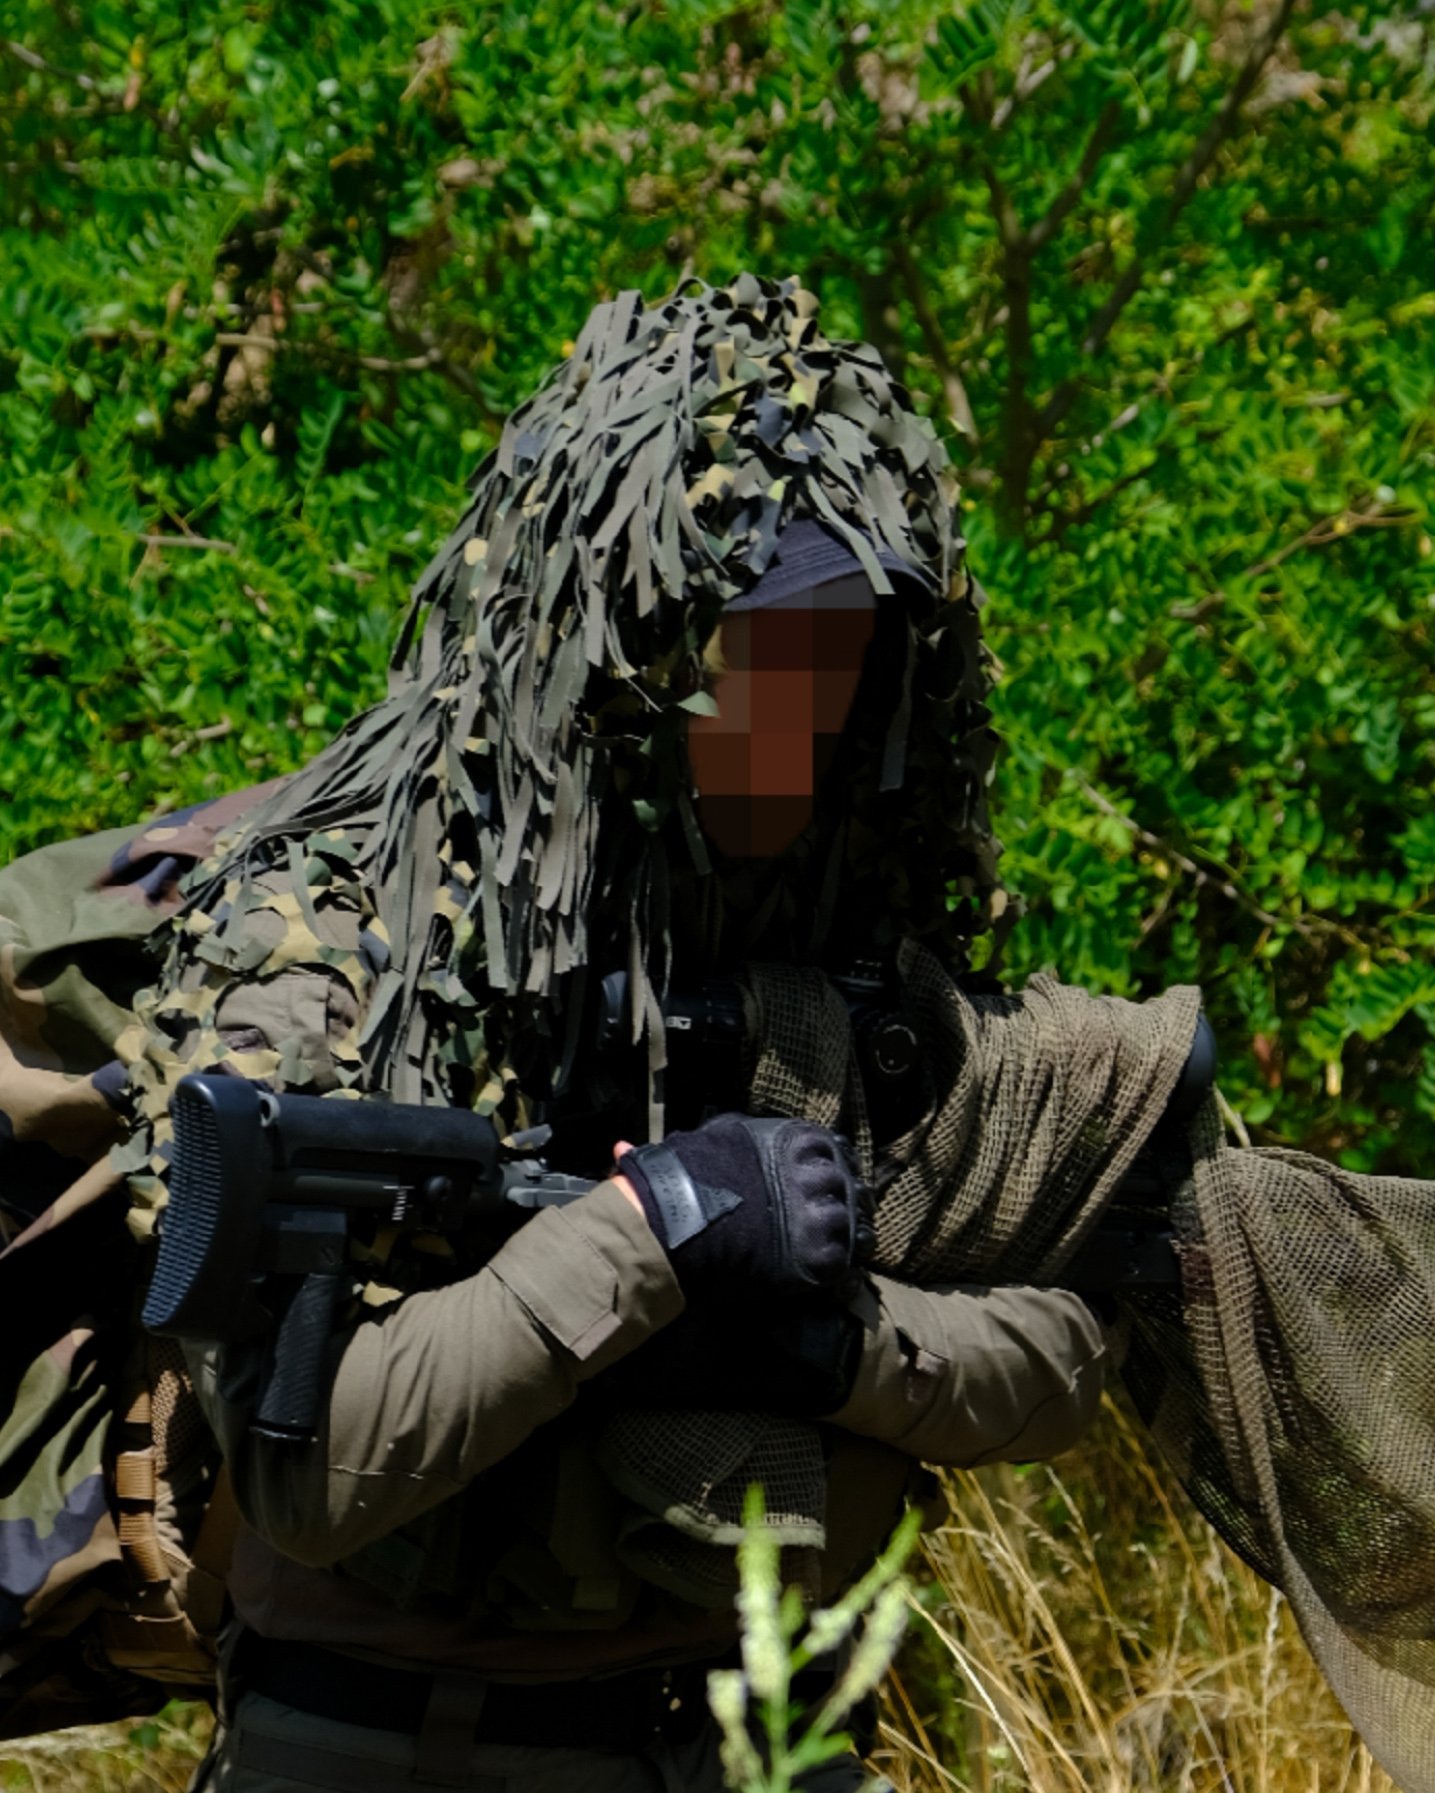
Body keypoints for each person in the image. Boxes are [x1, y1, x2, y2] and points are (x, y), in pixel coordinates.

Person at [112, 275, 1112, 1792]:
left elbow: (1065, 1350)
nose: (795, 718)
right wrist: (654, 1236)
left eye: (835, 655)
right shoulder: (347, 940)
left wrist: (823, 1342)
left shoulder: (833, 943)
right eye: (752, 654)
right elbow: (306, 1475)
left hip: (754, 1740)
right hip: (393, 1744)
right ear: (615, 637)